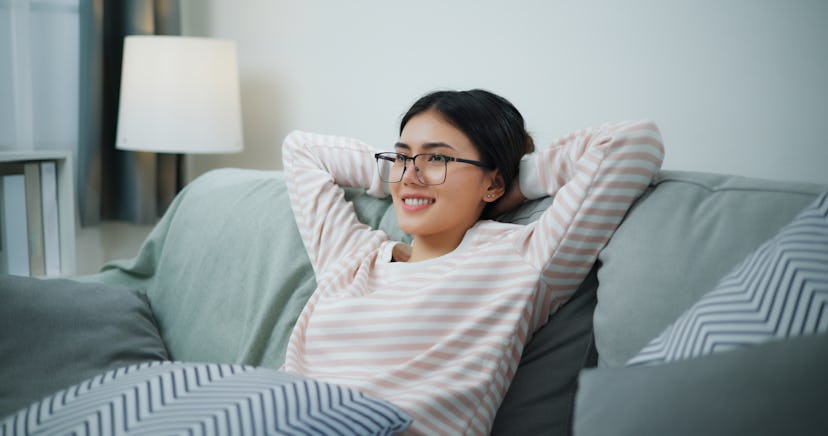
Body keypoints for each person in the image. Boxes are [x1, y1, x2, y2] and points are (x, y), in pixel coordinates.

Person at [280, 89, 665, 435]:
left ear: (493, 182)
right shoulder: (349, 257)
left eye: (438, 157)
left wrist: (515, 183)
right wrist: (402, 174)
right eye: (401, 156)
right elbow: (301, 150)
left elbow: (631, 142)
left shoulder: (519, 259)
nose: (411, 174)